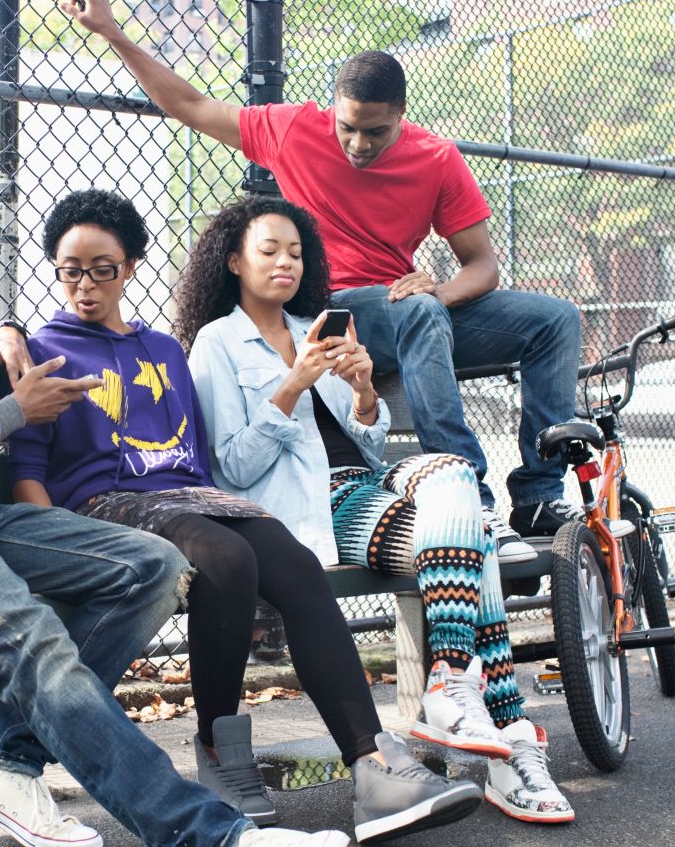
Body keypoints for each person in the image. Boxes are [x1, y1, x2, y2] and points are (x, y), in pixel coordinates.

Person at [0, 151, 348, 847]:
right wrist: (15, 411)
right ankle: (213, 835)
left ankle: (0, 759)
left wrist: (8, 331)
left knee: (152, 567)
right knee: (35, 637)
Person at [7, 189, 482, 844]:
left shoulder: (163, 351)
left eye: (103, 269)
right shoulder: (43, 350)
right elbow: (28, 469)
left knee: (287, 557)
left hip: (185, 497)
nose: (85, 285)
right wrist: (59, 541)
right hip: (101, 509)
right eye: (70, 270)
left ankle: (374, 768)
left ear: (132, 267)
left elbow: (200, 462)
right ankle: (220, 754)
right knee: (228, 560)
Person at [63, 0, 584, 549]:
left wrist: (440, 290)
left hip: (412, 311)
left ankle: (536, 496)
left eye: (375, 132)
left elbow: (482, 266)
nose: (358, 143)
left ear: (401, 117)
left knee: (554, 319)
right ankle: (471, 497)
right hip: (339, 308)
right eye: (347, 127)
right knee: (422, 315)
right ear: (333, 109)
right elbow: (191, 106)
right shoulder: (295, 129)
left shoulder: (436, 158)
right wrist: (113, 34)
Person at [177, 197, 575, 824]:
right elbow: (231, 467)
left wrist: (362, 392)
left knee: (453, 473)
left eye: (296, 252)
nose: (286, 262)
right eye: (269, 251)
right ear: (233, 262)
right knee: (478, 541)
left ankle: (448, 674)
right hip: (309, 507)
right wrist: (292, 385)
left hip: (368, 481)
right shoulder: (216, 343)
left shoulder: (317, 325)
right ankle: (512, 744)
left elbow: (363, 442)